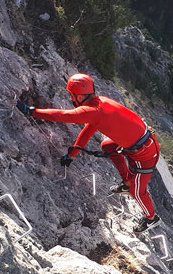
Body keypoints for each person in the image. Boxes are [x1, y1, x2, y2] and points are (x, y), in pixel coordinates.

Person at [16, 73, 162, 233]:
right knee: (107, 145)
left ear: (78, 96)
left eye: (71, 95)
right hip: (139, 144)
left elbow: (63, 116)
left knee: (138, 191)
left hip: (145, 154)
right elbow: (87, 131)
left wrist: (32, 111)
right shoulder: (100, 103)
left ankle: (151, 218)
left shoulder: (94, 110)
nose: (71, 99)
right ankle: (127, 183)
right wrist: (73, 154)